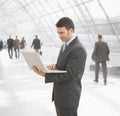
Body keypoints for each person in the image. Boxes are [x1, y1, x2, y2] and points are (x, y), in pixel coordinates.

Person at [32, 17, 87, 116]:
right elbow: (65, 65)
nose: (59, 36)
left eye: (61, 33)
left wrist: (45, 74)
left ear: (71, 30)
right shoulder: (64, 45)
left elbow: (69, 74)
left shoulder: (78, 49)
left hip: (68, 98)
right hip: (60, 95)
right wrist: (56, 66)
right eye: (58, 33)